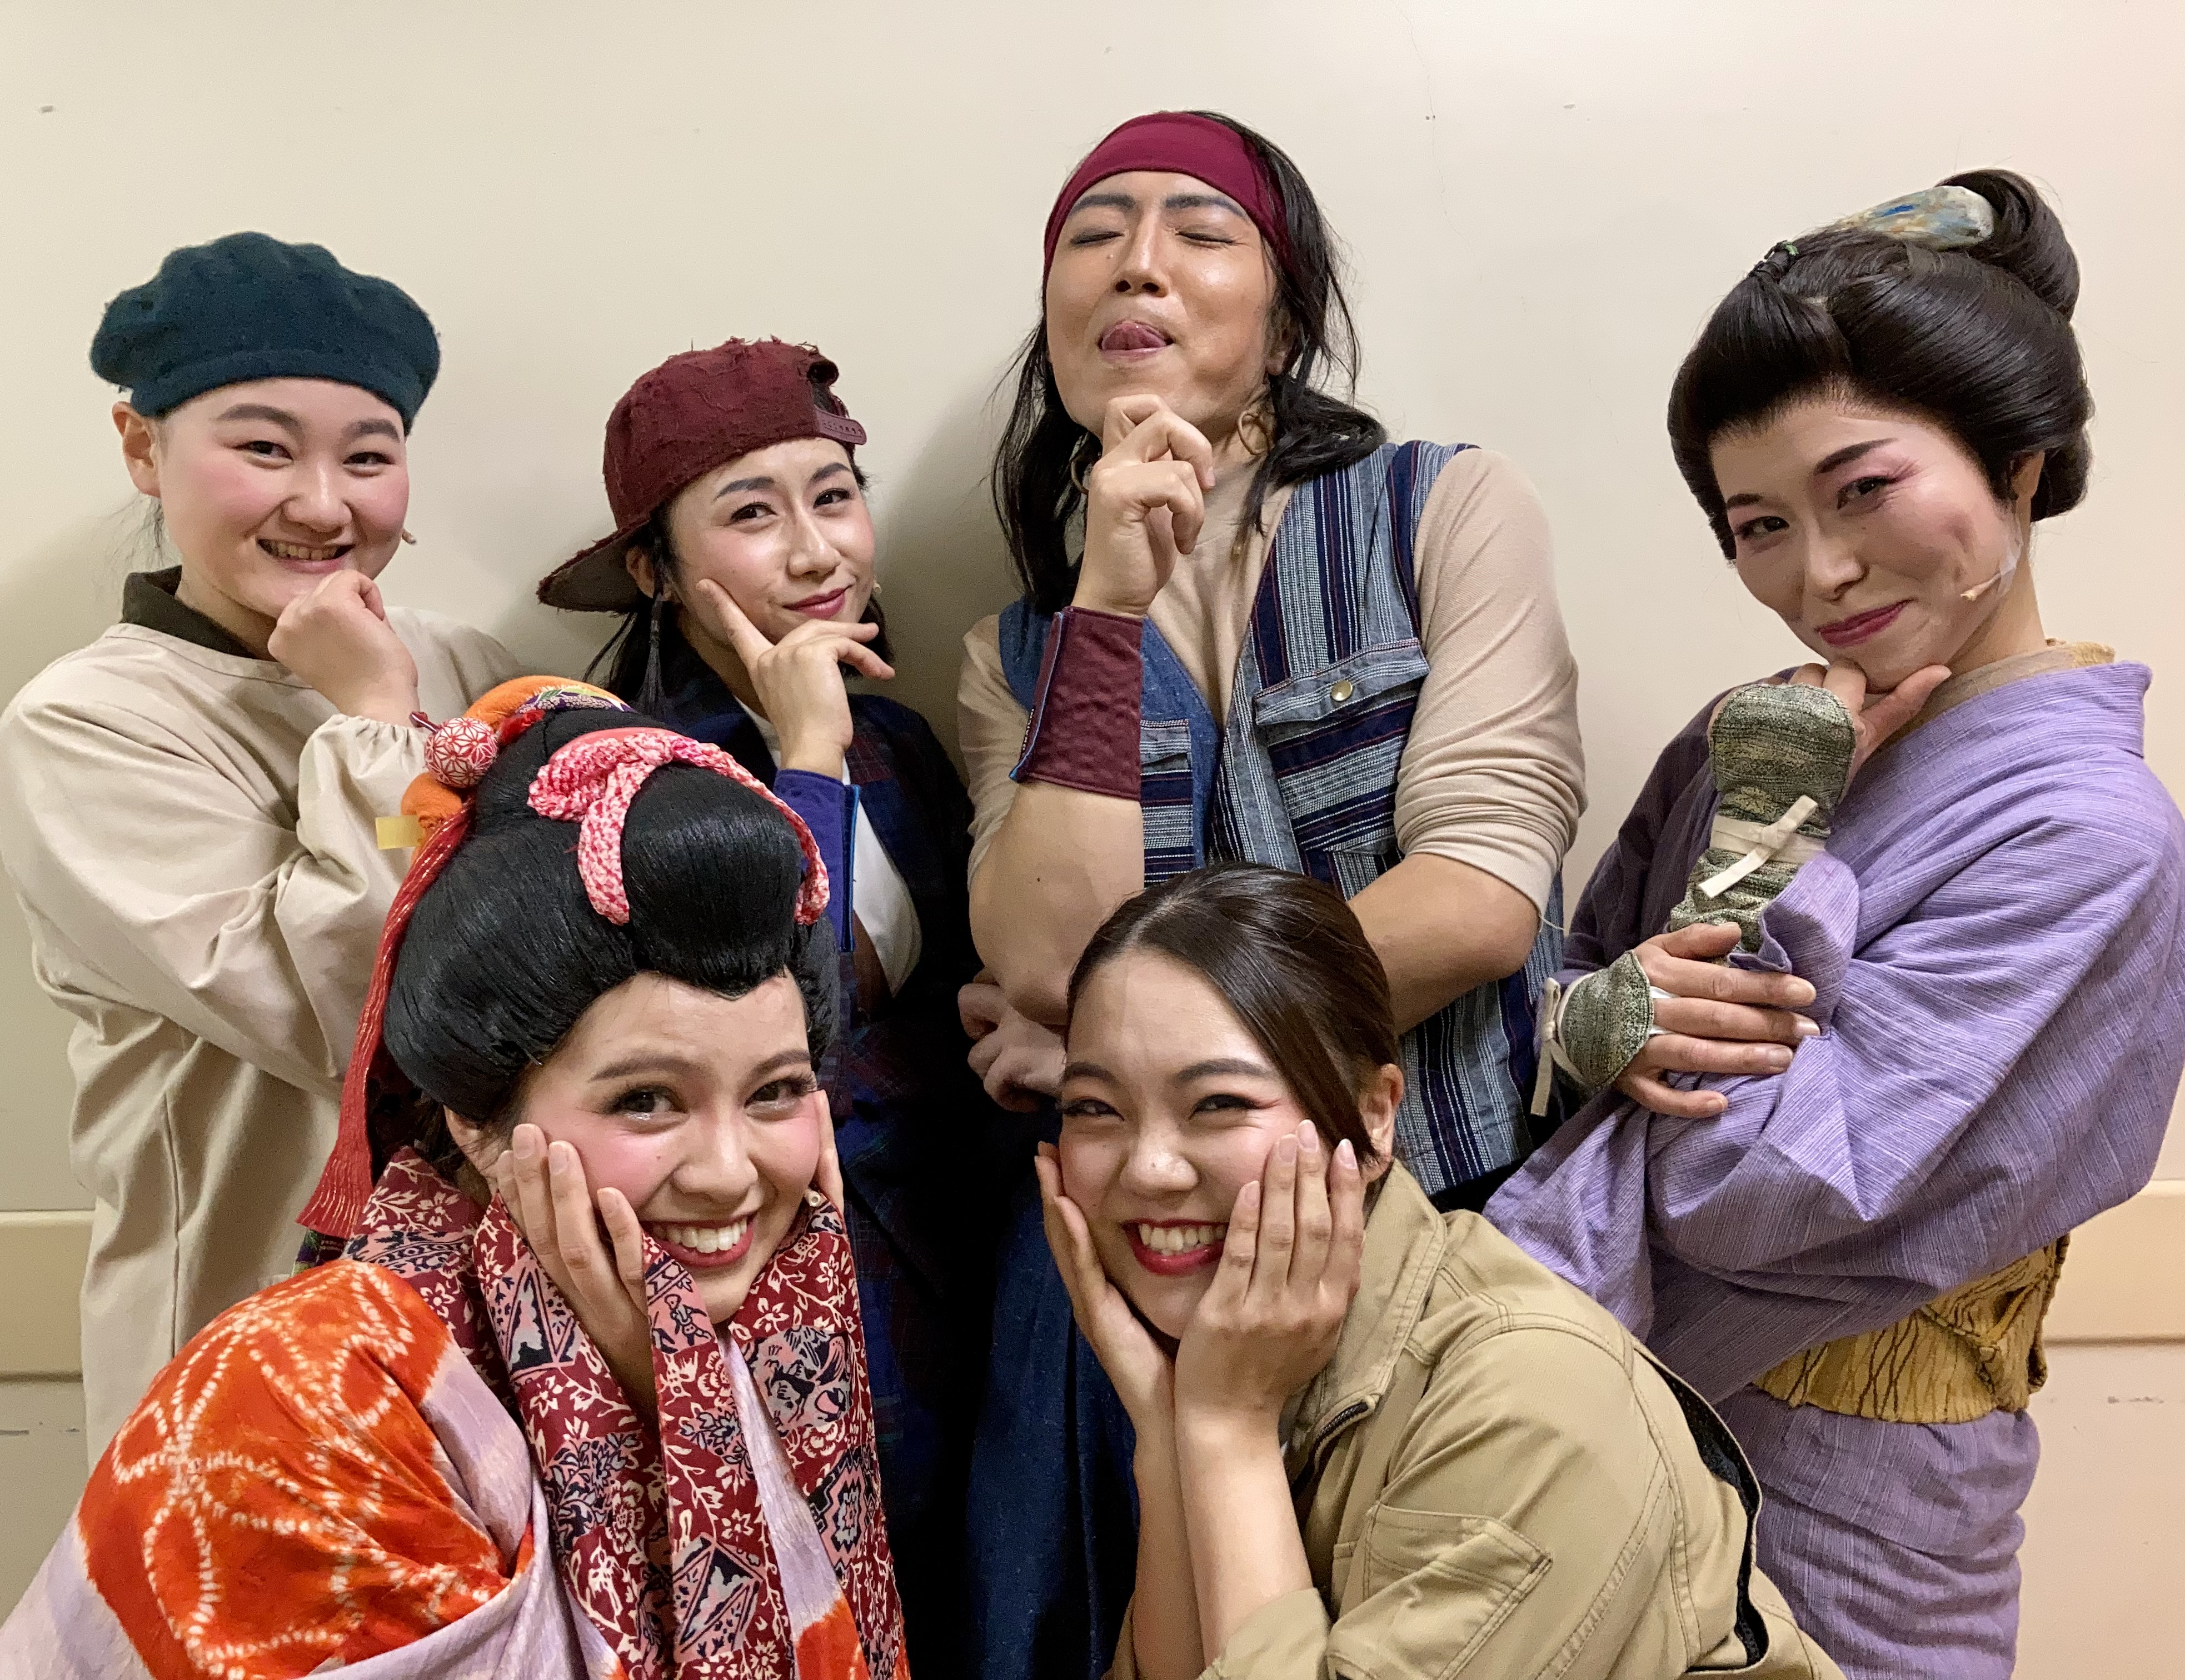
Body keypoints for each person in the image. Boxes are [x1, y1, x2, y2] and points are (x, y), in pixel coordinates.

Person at [1488, 173, 2185, 1679]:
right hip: (1593, 1425)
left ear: (2018, 460)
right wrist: (1606, 1015)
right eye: (1758, 524)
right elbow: (1564, 1006)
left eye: (1862, 489)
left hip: (1854, 1495)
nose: (1816, 574)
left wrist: (1765, 851)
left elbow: (1749, 1192)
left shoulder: (2089, 836)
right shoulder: (1757, 739)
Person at [955, 110, 1586, 1677]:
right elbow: (1047, 958)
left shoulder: (1448, 511)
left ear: (1288, 316)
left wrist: (1117, 1046)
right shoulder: (1014, 651)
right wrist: (1108, 608)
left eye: (1198, 229)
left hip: (1435, 1230)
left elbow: (1480, 898)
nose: (1138, 264)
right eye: (1093, 233)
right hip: (1131, 1280)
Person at [1, 681, 910, 1680]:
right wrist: (663, 1416)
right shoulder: (302, 1401)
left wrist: (667, 1387)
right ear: (476, 1120)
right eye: (646, 1101)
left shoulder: (780, 1325)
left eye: (775, 1092)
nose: (732, 1174)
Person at [536, 337, 1025, 1673]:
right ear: (654, 571)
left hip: (943, 1262)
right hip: (750, 1279)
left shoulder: (903, 743)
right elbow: (779, 1033)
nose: (817, 552)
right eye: (752, 513)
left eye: (835, 497)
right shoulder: (611, 767)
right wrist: (806, 754)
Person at [1036, 861, 1834, 1679]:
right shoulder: (1241, 1355)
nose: (1150, 1170)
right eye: (1094, 1109)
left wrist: (1225, 1431)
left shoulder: (1530, 1395)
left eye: (1219, 1104)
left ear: (1375, 1115)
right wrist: (1168, 1428)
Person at [0, 232, 518, 1452]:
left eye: (369, 456)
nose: (325, 504)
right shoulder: (87, 725)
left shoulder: (468, 663)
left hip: (483, 1340)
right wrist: (379, 721)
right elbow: (355, 1018)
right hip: (237, 1342)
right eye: (265, 449)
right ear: (143, 448)